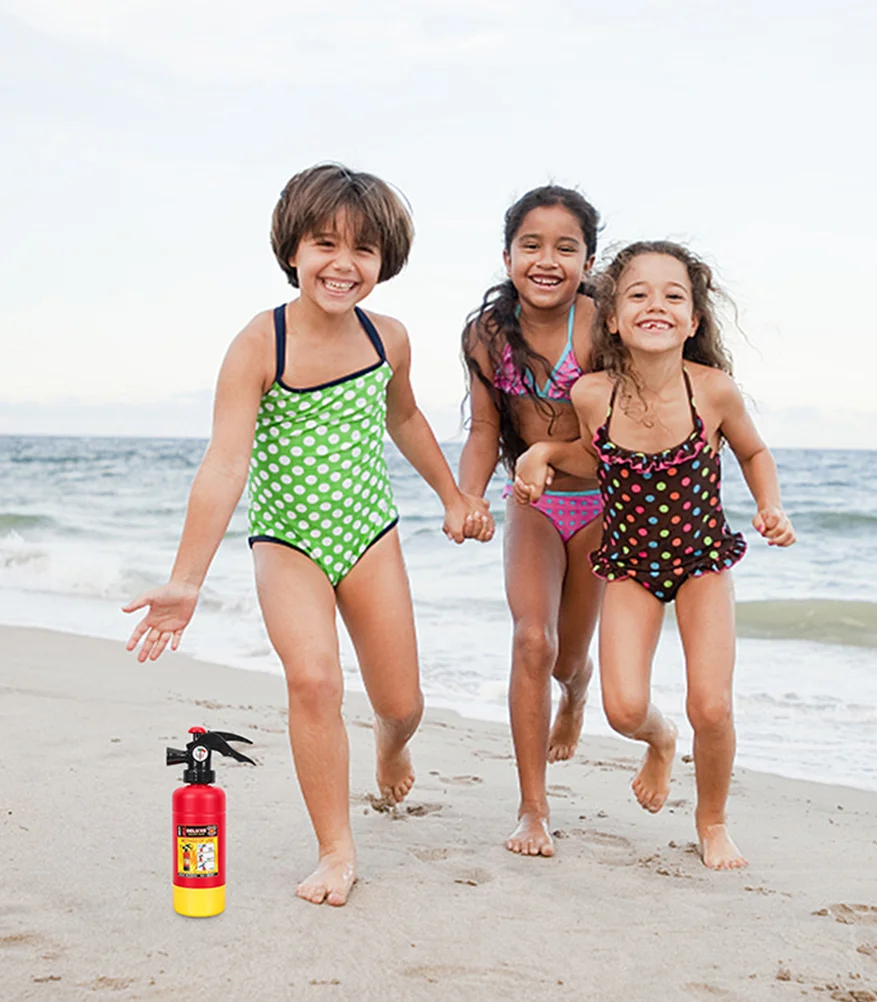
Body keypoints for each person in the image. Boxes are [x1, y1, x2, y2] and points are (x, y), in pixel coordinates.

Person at [123, 163, 493, 906]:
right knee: (315, 680)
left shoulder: (388, 338)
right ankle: (335, 851)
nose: (343, 264)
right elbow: (226, 463)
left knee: (403, 701)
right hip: (287, 542)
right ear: (292, 248)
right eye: (326, 243)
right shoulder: (261, 343)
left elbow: (405, 419)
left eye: (363, 250)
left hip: (369, 535)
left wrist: (453, 495)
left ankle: (392, 745)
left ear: (384, 262)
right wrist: (187, 581)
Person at [513, 240, 795, 869]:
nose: (656, 305)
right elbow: (592, 457)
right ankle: (661, 741)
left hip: (702, 564)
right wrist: (540, 456)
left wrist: (770, 504)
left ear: (693, 321)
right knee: (623, 709)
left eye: (673, 295)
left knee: (713, 706)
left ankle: (713, 819)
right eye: (638, 294)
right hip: (631, 567)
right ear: (611, 317)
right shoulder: (593, 395)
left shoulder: (713, 392)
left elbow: (752, 451)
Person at [459, 185, 604, 858]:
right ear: (508, 254)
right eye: (532, 245)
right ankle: (533, 810)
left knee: (569, 659)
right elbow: (486, 429)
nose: (547, 260)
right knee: (531, 642)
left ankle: (577, 696)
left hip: (604, 503)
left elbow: (628, 428)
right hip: (533, 504)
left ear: (588, 259)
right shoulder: (488, 335)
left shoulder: (601, 325)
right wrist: (468, 496)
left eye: (565, 248)